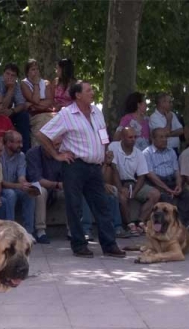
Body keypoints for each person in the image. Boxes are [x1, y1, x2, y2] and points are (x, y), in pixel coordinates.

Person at [37, 80, 125, 258]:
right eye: (89, 90)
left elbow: (102, 134)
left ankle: (109, 245)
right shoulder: (66, 114)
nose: (92, 92)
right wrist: (56, 155)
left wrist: (105, 151)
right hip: (74, 166)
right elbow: (42, 134)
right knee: (74, 206)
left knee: (102, 205)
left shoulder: (97, 112)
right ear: (78, 95)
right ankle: (79, 245)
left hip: (95, 166)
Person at [109, 127, 160, 233]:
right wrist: (120, 188)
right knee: (122, 197)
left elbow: (142, 176)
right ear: (122, 137)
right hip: (116, 181)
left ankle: (140, 222)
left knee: (155, 194)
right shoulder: (113, 147)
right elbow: (113, 170)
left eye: (134, 137)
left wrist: (134, 192)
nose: (133, 139)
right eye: (130, 137)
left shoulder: (138, 153)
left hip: (133, 182)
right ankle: (129, 224)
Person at [143, 127, 189, 226]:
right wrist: (166, 189)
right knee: (166, 198)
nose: (164, 139)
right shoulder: (147, 153)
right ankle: (174, 224)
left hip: (172, 181)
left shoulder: (171, 151)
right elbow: (151, 175)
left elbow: (176, 170)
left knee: (187, 195)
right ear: (153, 139)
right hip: (158, 183)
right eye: (161, 137)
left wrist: (178, 184)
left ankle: (181, 223)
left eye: (166, 137)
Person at [0, 130, 36, 240]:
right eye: (18, 142)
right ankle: (10, 232)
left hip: (14, 186)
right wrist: (19, 186)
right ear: (9, 143)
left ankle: (28, 232)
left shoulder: (21, 156)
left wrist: (25, 185)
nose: (21, 145)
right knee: (10, 194)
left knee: (30, 192)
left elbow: (21, 177)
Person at [20, 59, 55, 146]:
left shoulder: (46, 83)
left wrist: (34, 105)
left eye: (37, 69)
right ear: (27, 72)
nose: (35, 72)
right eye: (32, 69)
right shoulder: (24, 84)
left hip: (47, 112)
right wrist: (36, 84)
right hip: (34, 115)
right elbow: (35, 100)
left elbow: (49, 101)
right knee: (42, 121)